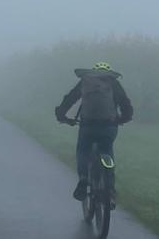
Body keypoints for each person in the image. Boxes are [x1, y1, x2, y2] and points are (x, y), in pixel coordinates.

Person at [55, 62, 133, 206]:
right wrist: (124, 118)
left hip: (88, 126)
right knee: (107, 150)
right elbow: (125, 104)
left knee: (83, 150)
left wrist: (62, 116)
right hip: (109, 127)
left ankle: (84, 179)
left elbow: (70, 98)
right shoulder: (113, 82)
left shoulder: (86, 81)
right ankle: (109, 191)